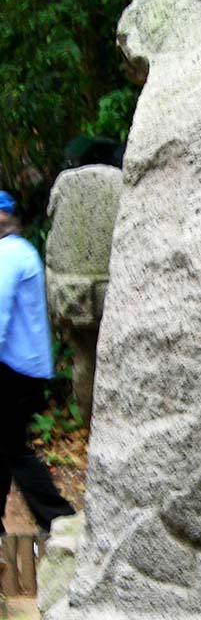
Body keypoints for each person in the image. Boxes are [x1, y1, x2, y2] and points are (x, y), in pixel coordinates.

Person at [0, 191, 75, 537]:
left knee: (14, 449)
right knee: (6, 446)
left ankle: (60, 519)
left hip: (12, 369)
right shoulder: (21, 250)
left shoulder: (9, 254)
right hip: (23, 367)